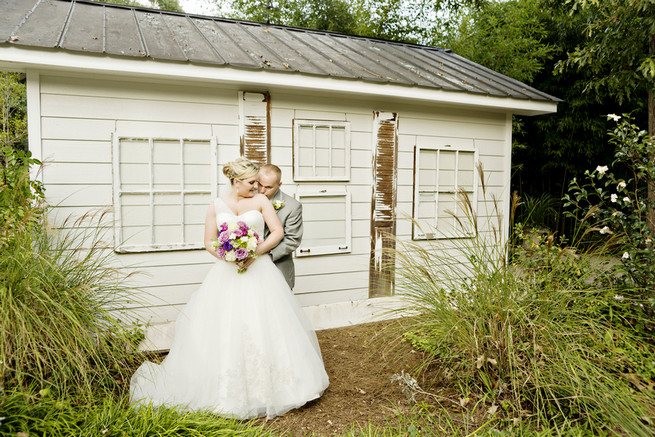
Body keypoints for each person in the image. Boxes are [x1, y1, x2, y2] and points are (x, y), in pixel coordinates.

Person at [130, 157, 329, 420]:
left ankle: (273, 387)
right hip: (226, 272)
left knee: (264, 323)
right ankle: (224, 389)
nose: (257, 187)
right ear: (236, 182)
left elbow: (277, 232)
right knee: (224, 326)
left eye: (258, 182)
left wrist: (254, 253)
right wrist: (227, 256)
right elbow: (209, 242)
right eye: (251, 182)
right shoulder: (216, 205)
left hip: (259, 271)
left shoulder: (260, 202)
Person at [257, 164, 303, 289]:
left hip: (278, 267)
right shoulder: (246, 199)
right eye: (259, 184)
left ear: (279, 185)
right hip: (249, 269)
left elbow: (293, 240)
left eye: (268, 187)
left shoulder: (293, 206)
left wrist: (266, 253)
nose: (261, 190)